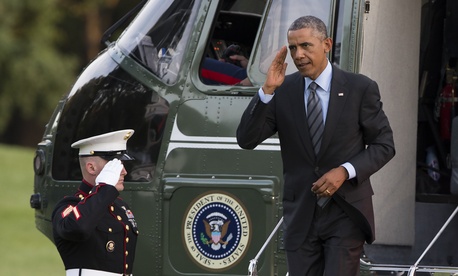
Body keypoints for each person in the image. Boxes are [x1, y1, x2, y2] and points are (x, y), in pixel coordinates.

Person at [237, 15, 395, 275]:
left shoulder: (359, 88)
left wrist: (344, 171)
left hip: (346, 212)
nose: (298, 55)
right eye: (292, 48)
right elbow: (246, 139)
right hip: (301, 216)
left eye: (306, 46)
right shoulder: (282, 91)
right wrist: (266, 91)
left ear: (327, 44)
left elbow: (384, 144)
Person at [52, 129, 139, 276]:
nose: (124, 171)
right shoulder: (69, 206)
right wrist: (104, 188)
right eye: (115, 166)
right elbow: (78, 228)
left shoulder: (120, 207)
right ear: (91, 167)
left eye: (122, 164)